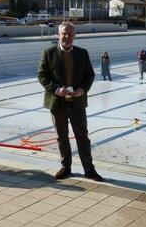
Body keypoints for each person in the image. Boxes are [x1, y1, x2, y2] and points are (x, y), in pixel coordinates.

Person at [37, 22, 103, 181]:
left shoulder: (82, 53)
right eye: (64, 34)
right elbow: (41, 75)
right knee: (62, 136)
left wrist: (82, 89)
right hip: (57, 102)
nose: (67, 37)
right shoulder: (48, 52)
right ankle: (66, 167)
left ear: (74, 36)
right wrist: (56, 90)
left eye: (70, 34)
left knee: (82, 136)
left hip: (77, 102)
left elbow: (90, 75)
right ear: (58, 35)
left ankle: (89, 169)